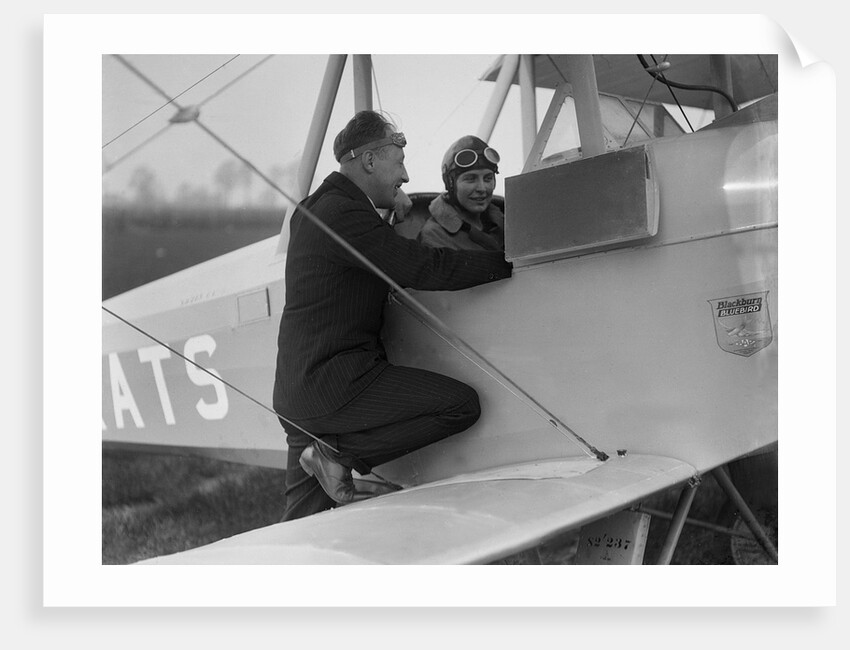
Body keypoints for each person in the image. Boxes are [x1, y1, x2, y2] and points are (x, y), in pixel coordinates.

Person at [273, 110, 512, 522]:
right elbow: (420, 268)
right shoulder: (344, 215)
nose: (404, 177)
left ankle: (326, 456)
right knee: (460, 405)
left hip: (300, 392)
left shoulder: (320, 207)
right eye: (399, 163)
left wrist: (383, 208)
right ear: (369, 161)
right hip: (335, 383)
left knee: (300, 528)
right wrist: (509, 262)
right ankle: (338, 454)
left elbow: (355, 256)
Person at [418, 135, 505, 251]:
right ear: (450, 183)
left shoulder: (504, 222)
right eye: (470, 179)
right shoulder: (435, 235)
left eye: (488, 178)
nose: (482, 188)